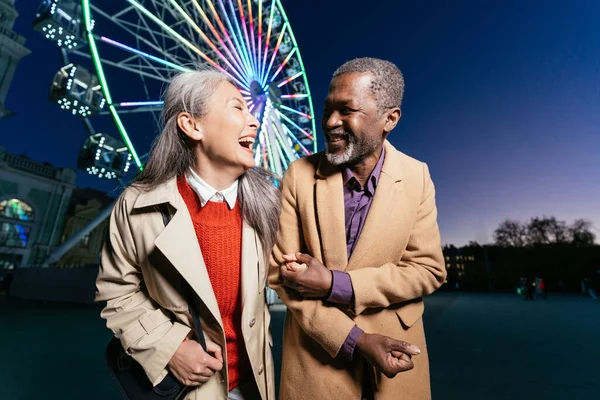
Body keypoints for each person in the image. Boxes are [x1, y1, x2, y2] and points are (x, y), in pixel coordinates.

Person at [268, 58, 446, 400]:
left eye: (346, 110)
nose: (331, 122)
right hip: (317, 360)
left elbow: (428, 269)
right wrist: (356, 339)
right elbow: (280, 274)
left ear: (389, 119)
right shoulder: (298, 176)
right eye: (327, 110)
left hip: (398, 361)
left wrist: (338, 285)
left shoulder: (417, 176)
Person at [95, 70, 279, 400]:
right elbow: (116, 290)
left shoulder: (269, 208)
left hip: (252, 384)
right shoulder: (139, 205)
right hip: (189, 389)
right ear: (192, 125)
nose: (255, 121)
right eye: (238, 107)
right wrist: (170, 348)